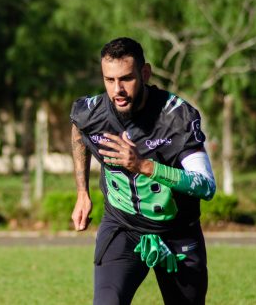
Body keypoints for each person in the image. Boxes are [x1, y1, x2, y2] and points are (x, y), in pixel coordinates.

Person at [69, 37, 216, 305]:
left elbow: (206, 185)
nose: (117, 90)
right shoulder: (92, 112)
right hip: (122, 228)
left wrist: (143, 166)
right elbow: (78, 129)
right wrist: (82, 191)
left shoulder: (176, 116)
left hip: (177, 232)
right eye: (109, 80)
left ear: (145, 73)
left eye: (126, 79)